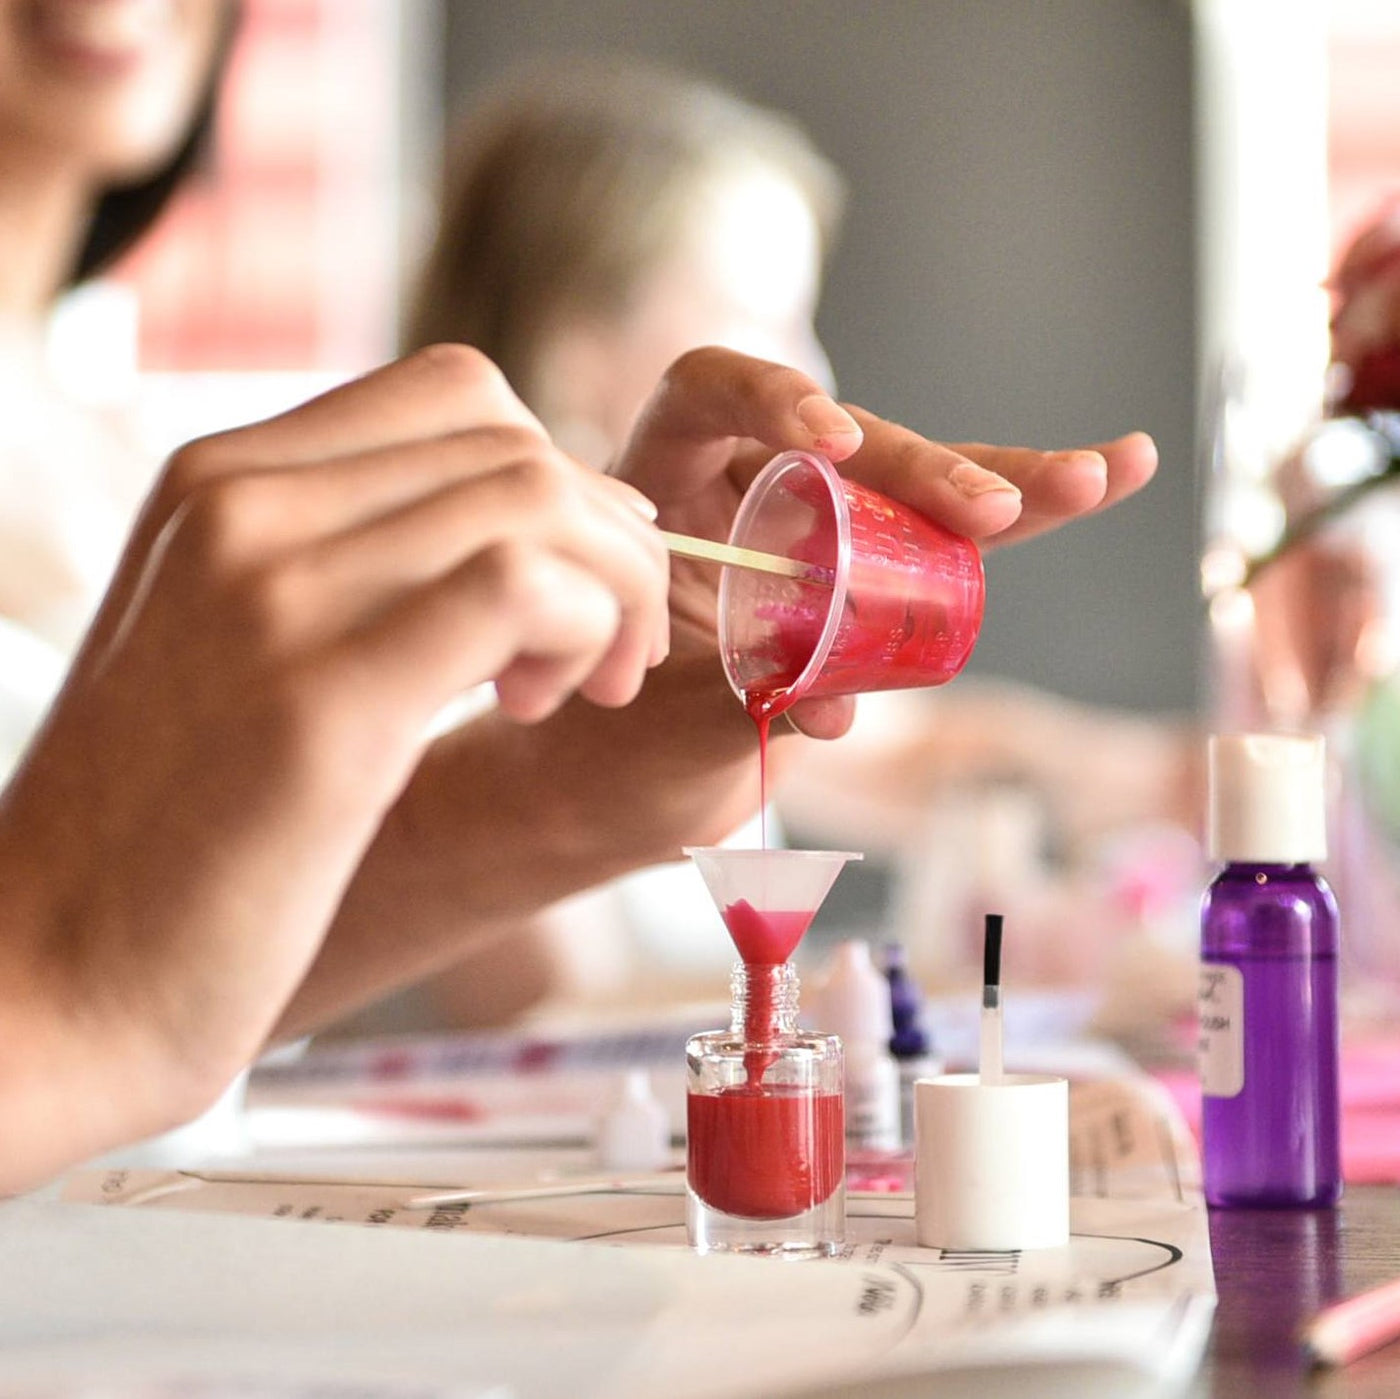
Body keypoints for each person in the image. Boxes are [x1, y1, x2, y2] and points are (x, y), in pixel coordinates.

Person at [396, 55, 1195, 1015]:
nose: (813, 366)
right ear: (574, 350)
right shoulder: (449, 626)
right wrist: (916, 991)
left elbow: (917, 753)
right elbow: (543, 1008)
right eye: (764, 317)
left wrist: (1212, 772)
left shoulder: (700, 624)